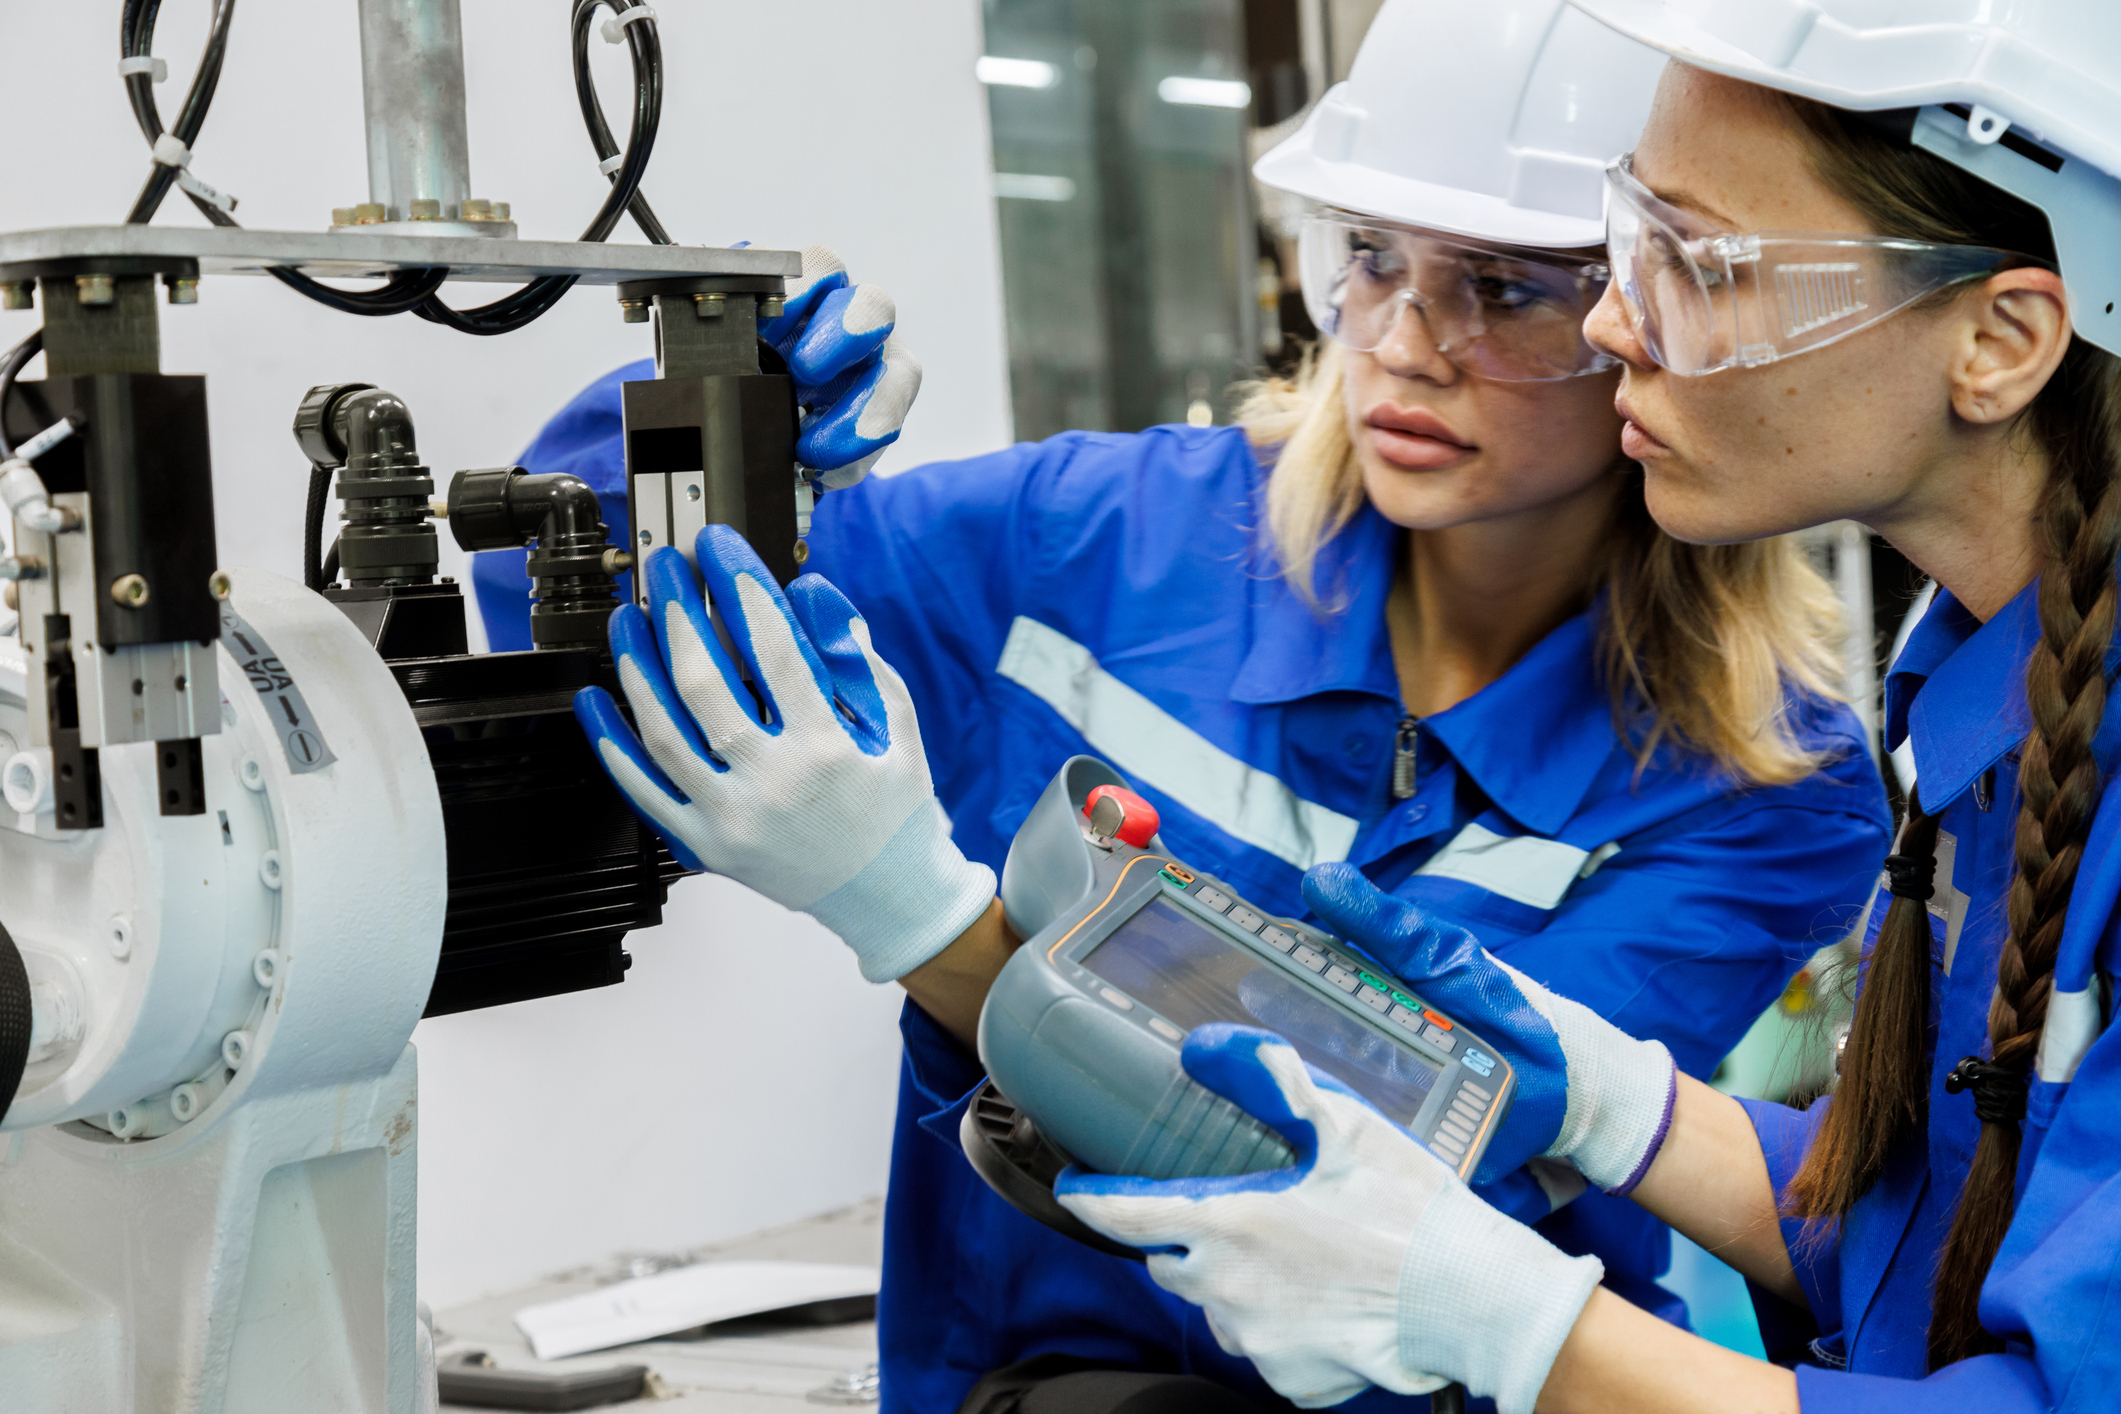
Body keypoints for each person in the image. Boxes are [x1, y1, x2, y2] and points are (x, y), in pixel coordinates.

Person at [528, 5, 1893, 1409]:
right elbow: (570, 618)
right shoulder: (1105, 541)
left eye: (1501, 286)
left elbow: (1381, 1130)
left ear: (1644, 320)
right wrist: (700, 431)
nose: (1405, 344)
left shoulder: (1763, 779)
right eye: (1368, 258)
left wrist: (918, 917)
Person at [1050, 5, 2121, 1412]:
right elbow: (1915, 1254)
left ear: (1999, 339)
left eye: (1695, 262)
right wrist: (1614, 1101)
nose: (1612, 318)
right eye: (1629, 242)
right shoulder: (1979, 686)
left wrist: (1504, 1324)